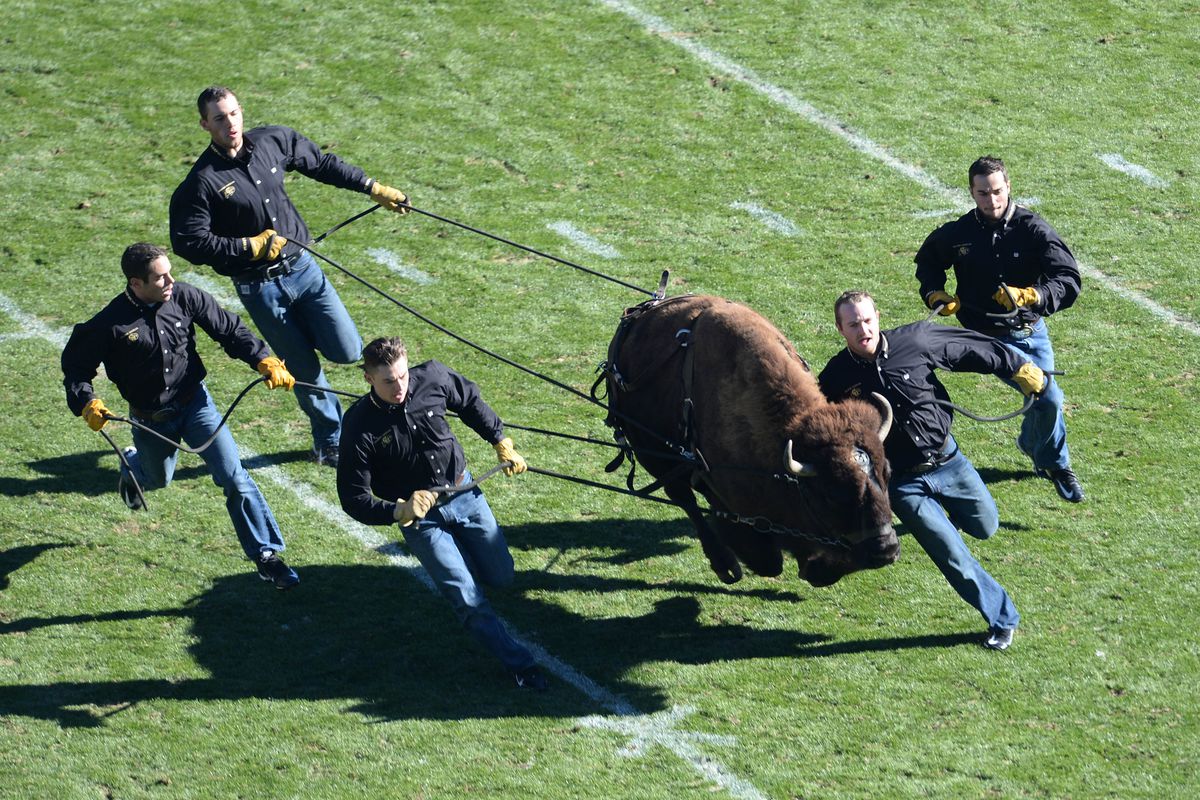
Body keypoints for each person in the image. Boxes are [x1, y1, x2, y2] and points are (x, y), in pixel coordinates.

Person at [169, 85, 413, 468]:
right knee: (304, 370)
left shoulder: (274, 140)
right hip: (260, 288)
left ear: (241, 112)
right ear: (204, 125)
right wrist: (249, 247)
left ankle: (345, 399)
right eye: (218, 118)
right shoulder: (202, 182)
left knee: (348, 349)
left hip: (303, 268)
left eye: (233, 114)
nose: (229, 123)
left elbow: (321, 163)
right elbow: (188, 241)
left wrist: (371, 187)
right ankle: (330, 440)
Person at [62, 243, 301, 589]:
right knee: (158, 480)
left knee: (234, 477)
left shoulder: (186, 297)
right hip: (150, 420)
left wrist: (264, 359)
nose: (171, 280)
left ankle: (267, 556)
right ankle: (134, 467)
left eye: (169, 272)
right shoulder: (109, 324)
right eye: (160, 278)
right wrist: (87, 402)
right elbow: (75, 368)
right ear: (136, 284)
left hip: (196, 405)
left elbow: (230, 330)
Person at [819, 291, 1048, 650]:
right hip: (903, 483)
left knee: (985, 526)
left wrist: (1016, 367)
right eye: (853, 324)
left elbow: (969, 346)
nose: (863, 329)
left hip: (950, 461)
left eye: (867, 320)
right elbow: (820, 426)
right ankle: (1002, 618)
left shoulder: (915, 340)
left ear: (877, 316)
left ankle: (947, 522)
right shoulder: (834, 379)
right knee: (952, 554)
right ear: (840, 329)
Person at [336, 336, 546, 689]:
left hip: (465, 494)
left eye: (402, 376)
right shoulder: (358, 424)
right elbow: (352, 497)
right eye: (388, 381)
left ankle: (464, 563)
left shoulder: (432, 376)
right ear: (368, 379)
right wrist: (398, 510)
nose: (399, 386)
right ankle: (520, 666)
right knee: (467, 598)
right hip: (421, 521)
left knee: (502, 576)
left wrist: (500, 441)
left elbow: (469, 400)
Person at [914, 155, 1083, 502]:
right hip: (976, 337)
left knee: (1048, 398)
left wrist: (1034, 296)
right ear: (971, 192)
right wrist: (934, 294)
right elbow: (928, 261)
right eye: (982, 193)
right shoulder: (957, 233)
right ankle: (1050, 457)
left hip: (1025, 332)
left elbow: (1069, 279)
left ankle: (1046, 455)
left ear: (1008, 186)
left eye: (996, 192)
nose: (991, 201)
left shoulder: (1035, 230)